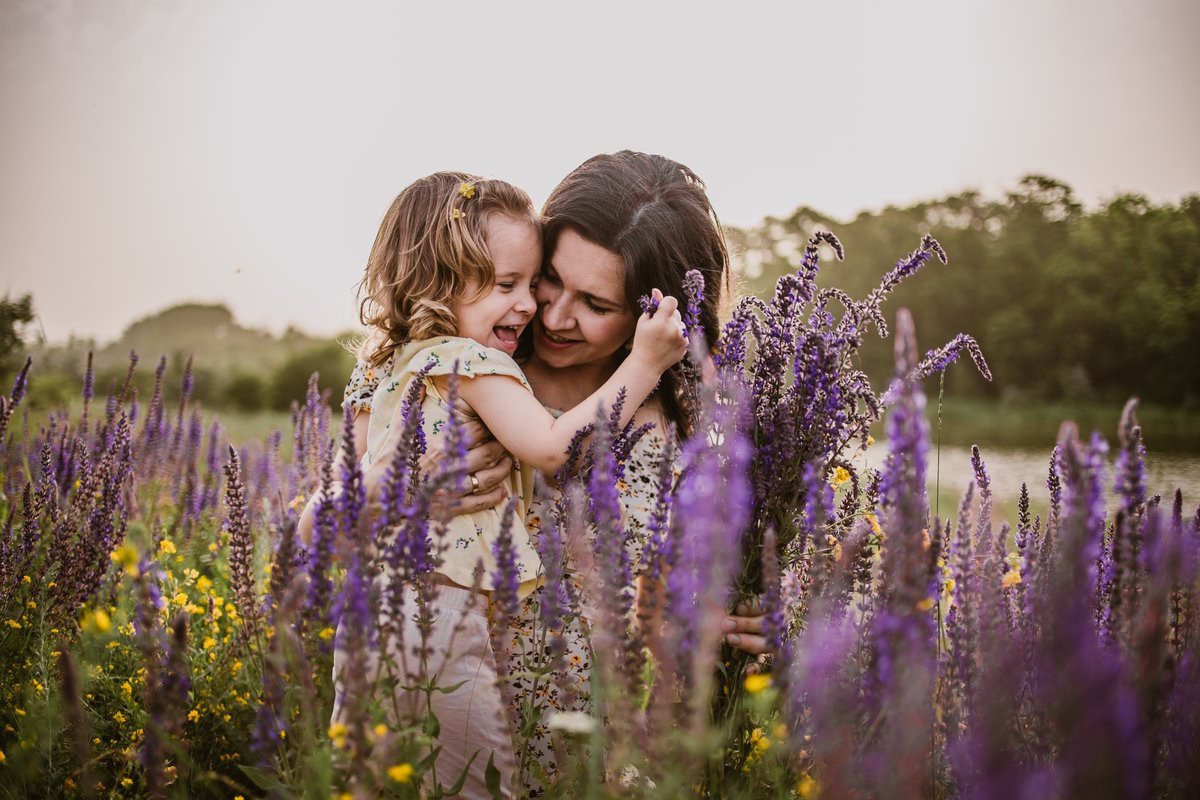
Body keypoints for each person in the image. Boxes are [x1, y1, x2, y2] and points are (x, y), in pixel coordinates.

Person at [339, 153, 768, 794]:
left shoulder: (684, 423)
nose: (554, 316)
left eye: (595, 303)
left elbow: (646, 598)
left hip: (569, 725)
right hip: (430, 677)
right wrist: (400, 487)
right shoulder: (423, 367)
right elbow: (318, 530)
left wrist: (711, 625)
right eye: (548, 281)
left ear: (652, 316)